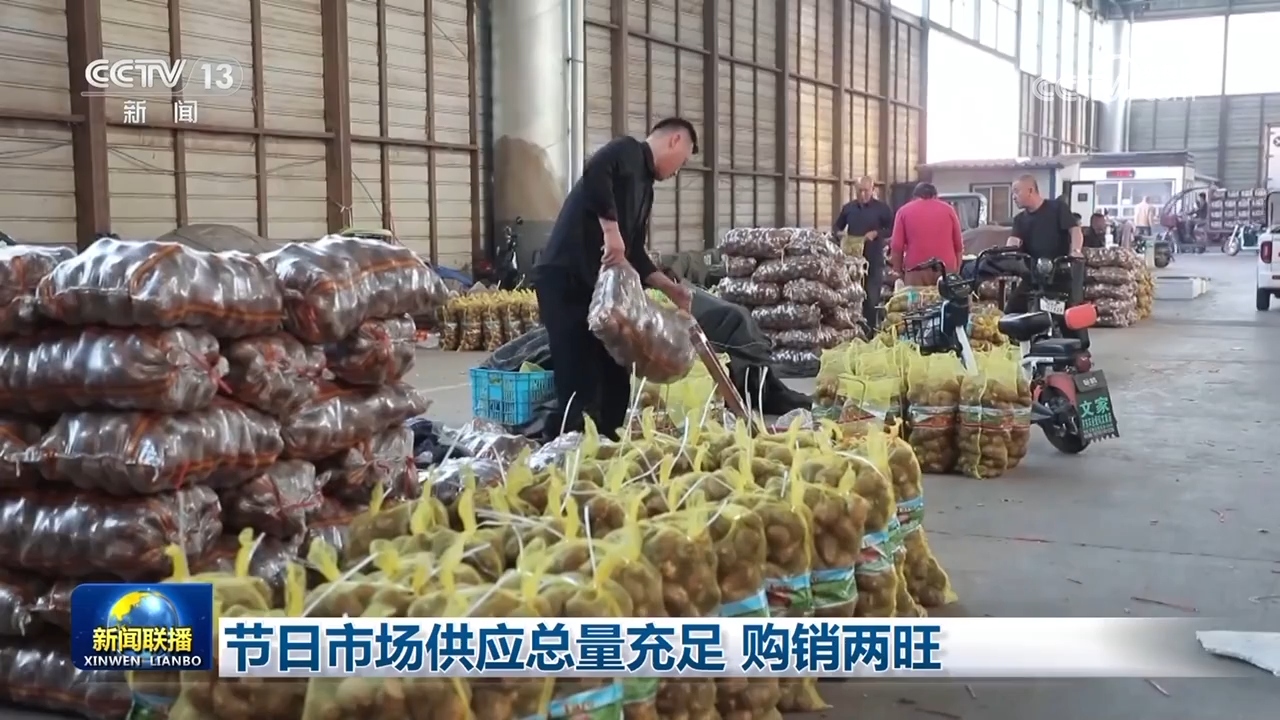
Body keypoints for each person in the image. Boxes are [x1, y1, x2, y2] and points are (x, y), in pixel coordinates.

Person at [534, 118, 697, 441]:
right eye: (682, 161)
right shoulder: (627, 151)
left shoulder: (645, 190)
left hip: (596, 291)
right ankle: (570, 448)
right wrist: (611, 231)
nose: (677, 171)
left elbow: (633, 252)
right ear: (675, 140)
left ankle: (607, 443)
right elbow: (595, 171)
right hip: (566, 279)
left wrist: (670, 288)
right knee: (580, 377)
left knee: (616, 377)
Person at [1005, 174, 1084, 316]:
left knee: (1069, 314)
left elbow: (1075, 230)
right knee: (1011, 310)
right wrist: (1007, 251)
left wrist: (1076, 251)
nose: (1013, 197)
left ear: (1030, 190)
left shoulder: (1057, 208)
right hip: (1034, 276)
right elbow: (1013, 240)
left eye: (1016, 192)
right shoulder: (1020, 220)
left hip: (1060, 273)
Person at [832, 176, 894, 323]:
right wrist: (840, 234)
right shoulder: (848, 208)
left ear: (873, 190)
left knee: (871, 299)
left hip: (873, 259)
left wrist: (876, 233)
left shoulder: (882, 209)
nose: (863, 194)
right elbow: (837, 227)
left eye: (866, 191)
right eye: (859, 191)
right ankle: (854, 327)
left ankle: (870, 330)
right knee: (852, 298)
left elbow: (892, 229)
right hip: (853, 262)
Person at [889, 182, 964, 287]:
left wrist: (898, 271)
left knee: (917, 297)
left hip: (916, 269)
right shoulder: (949, 210)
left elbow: (897, 246)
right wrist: (956, 269)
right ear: (935, 196)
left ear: (914, 197)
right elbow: (958, 244)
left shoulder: (903, 211)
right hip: (945, 268)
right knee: (945, 297)